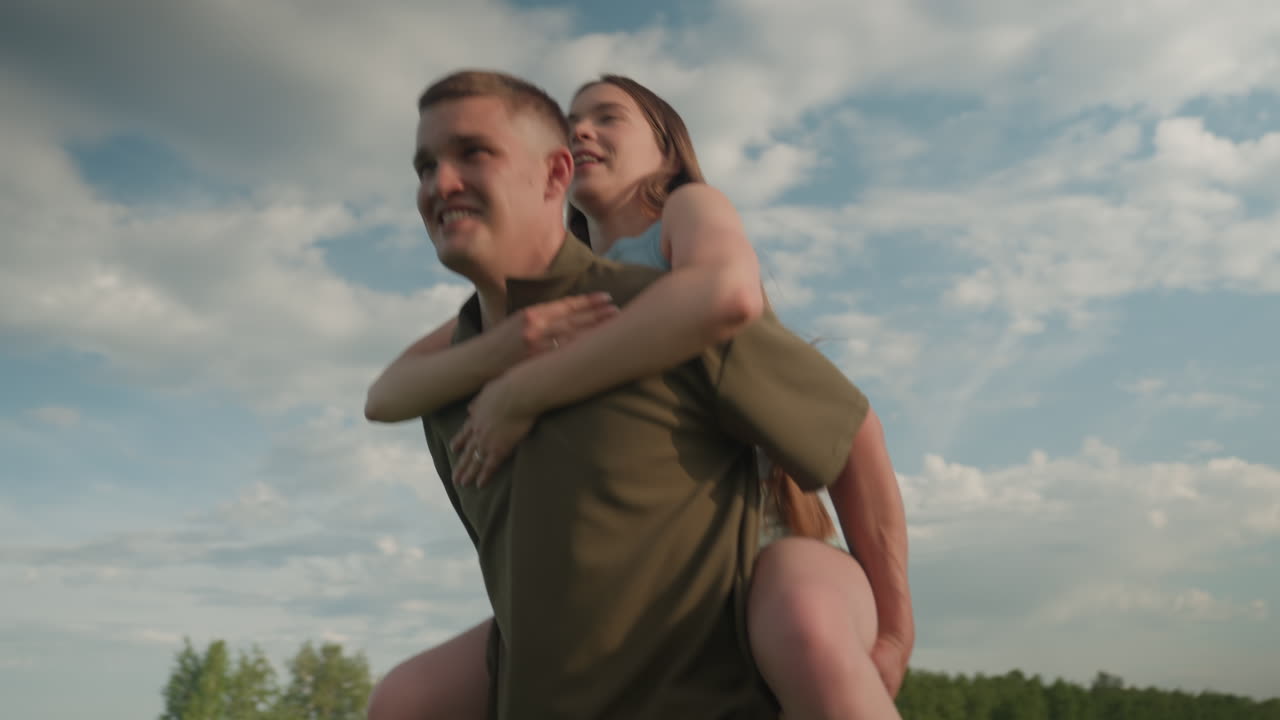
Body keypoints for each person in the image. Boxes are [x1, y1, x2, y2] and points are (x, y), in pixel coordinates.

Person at [366, 70, 912, 720]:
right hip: (568, 651)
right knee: (401, 701)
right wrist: (505, 352)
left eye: (474, 153)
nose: (440, 183)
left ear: (553, 174)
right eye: (425, 166)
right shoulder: (472, 361)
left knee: (807, 630)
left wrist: (895, 633)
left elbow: (731, 302)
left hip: (756, 557)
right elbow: (387, 392)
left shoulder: (680, 275)